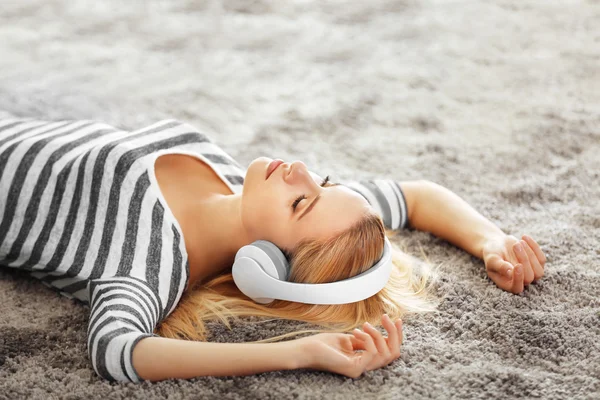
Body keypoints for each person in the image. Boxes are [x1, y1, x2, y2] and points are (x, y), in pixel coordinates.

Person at [0, 114, 547, 383]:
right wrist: (492, 242)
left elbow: (118, 353)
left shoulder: (150, 260)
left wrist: (298, 352)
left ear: (267, 264)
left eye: (301, 202)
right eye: (326, 182)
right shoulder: (239, 184)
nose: (301, 172)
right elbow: (416, 195)